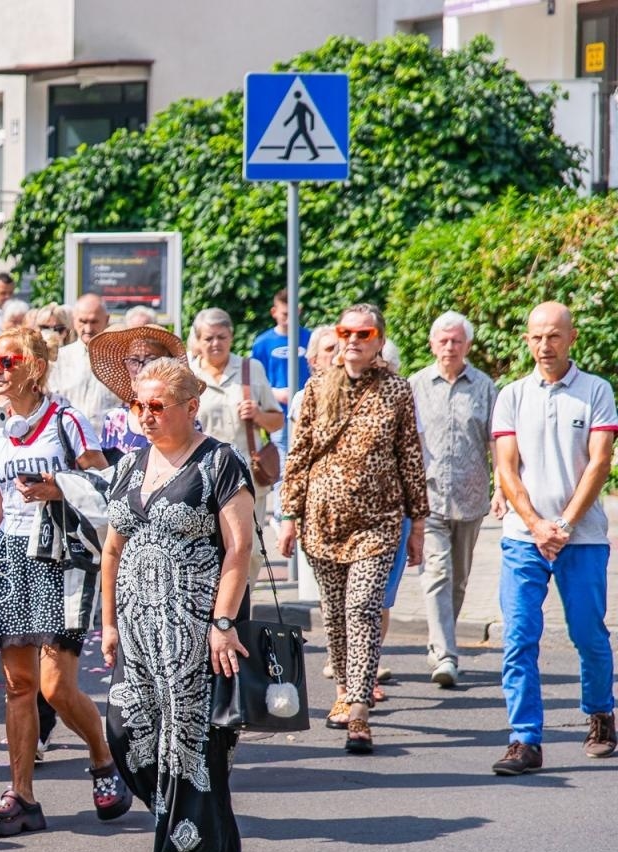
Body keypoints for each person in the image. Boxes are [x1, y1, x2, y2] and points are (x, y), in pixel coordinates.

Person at [0, 326, 131, 837]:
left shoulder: (66, 421)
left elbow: (108, 487)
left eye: (7, 362)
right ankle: (23, 797)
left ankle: (103, 760)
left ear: (34, 368)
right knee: (18, 686)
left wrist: (60, 488)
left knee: (56, 688)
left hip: (62, 555)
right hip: (12, 556)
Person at [102, 358, 253, 852]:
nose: (144, 415)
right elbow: (113, 548)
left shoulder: (220, 464)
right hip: (138, 628)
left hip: (197, 628)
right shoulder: (129, 465)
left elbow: (240, 548)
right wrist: (109, 623)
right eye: (138, 405)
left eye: (157, 406)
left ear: (191, 408)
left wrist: (223, 620)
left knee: (190, 743)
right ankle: (206, 836)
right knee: (124, 731)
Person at [278, 304, 427, 756]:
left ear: (379, 340)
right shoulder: (318, 387)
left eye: (365, 333)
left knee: (362, 608)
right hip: (322, 521)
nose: (354, 340)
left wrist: (417, 523)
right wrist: (289, 516)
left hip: (378, 523)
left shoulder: (397, 391)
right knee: (336, 612)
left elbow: (411, 458)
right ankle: (344, 686)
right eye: (346, 332)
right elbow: (298, 456)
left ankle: (359, 707)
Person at [490, 301, 617, 774]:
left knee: (588, 635)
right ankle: (524, 739)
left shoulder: (595, 392)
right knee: (519, 638)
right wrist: (536, 523)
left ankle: (600, 713)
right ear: (527, 341)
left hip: (580, 539)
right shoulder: (513, 395)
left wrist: (562, 525)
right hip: (523, 538)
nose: (545, 345)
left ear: (572, 338)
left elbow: (600, 463)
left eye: (554, 336)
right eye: (537, 336)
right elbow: (505, 467)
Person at [410, 312, 497, 690]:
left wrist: (505, 491)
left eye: (456, 341)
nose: (449, 347)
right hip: (427, 499)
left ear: (467, 345)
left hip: (471, 496)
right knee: (438, 574)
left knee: (458, 581)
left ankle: (441, 640)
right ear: (432, 344)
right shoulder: (415, 385)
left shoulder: (484, 386)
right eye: (443, 341)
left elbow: (497, 442)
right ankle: (445, 654)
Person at [187, 308, 284, 579]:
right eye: (208, 338)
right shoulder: (188, 374)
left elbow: (277, 422)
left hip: (246, 477)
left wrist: (258, 414)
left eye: (221, 337)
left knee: (248, 549)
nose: (215, 344)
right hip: (199, 476)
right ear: (197, 340)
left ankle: (242, 613)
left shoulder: (250, 369)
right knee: (207, 549)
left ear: (231, 337)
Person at [88, 325, 188, 462]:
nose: (141, 368)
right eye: (134, 360)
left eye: (151, 360)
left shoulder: (181, 416)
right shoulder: (115, 420)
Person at [49, 293, 118, 437]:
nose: (87, 328)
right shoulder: (59, 359)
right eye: (83, 321)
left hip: (109, 448)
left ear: (106, 320)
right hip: (67, 443)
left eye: (94, 322)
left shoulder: (120, 360)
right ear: (74, 321)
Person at [250, 289, 313, 409]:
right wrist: (275, 393)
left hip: (308, 407)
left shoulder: (311, 338)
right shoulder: (262, 343)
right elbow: (253, 380)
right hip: (275, 410)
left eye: (293, 314)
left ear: (299, 311)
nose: (289, 320)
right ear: (274, 312)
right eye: (285, 314)